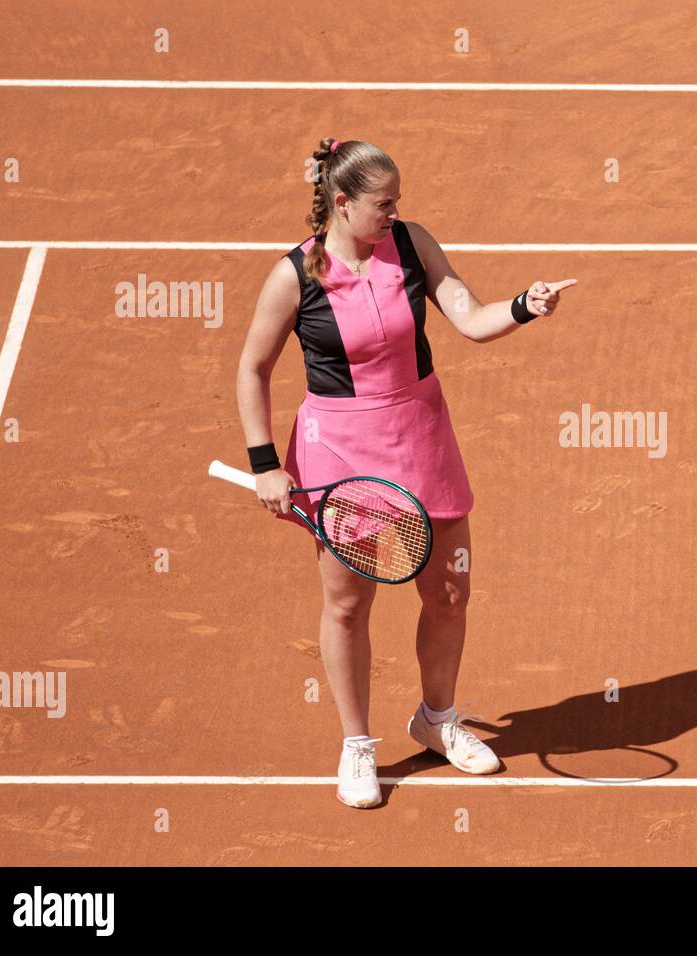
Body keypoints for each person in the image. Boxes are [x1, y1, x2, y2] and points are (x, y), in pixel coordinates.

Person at [234, 137, 577, 808]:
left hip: (421, 435)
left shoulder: (413, 245)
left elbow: (471, 319)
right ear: (341, 203)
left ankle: (437, 720)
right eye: (383, 204)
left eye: (398, 202)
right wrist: (266, 464)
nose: (395, 213)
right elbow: (252, 368)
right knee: (347, 604)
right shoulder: (295, 276)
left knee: (449, 593)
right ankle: (357, 745)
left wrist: (522, 306)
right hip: (340, 452)